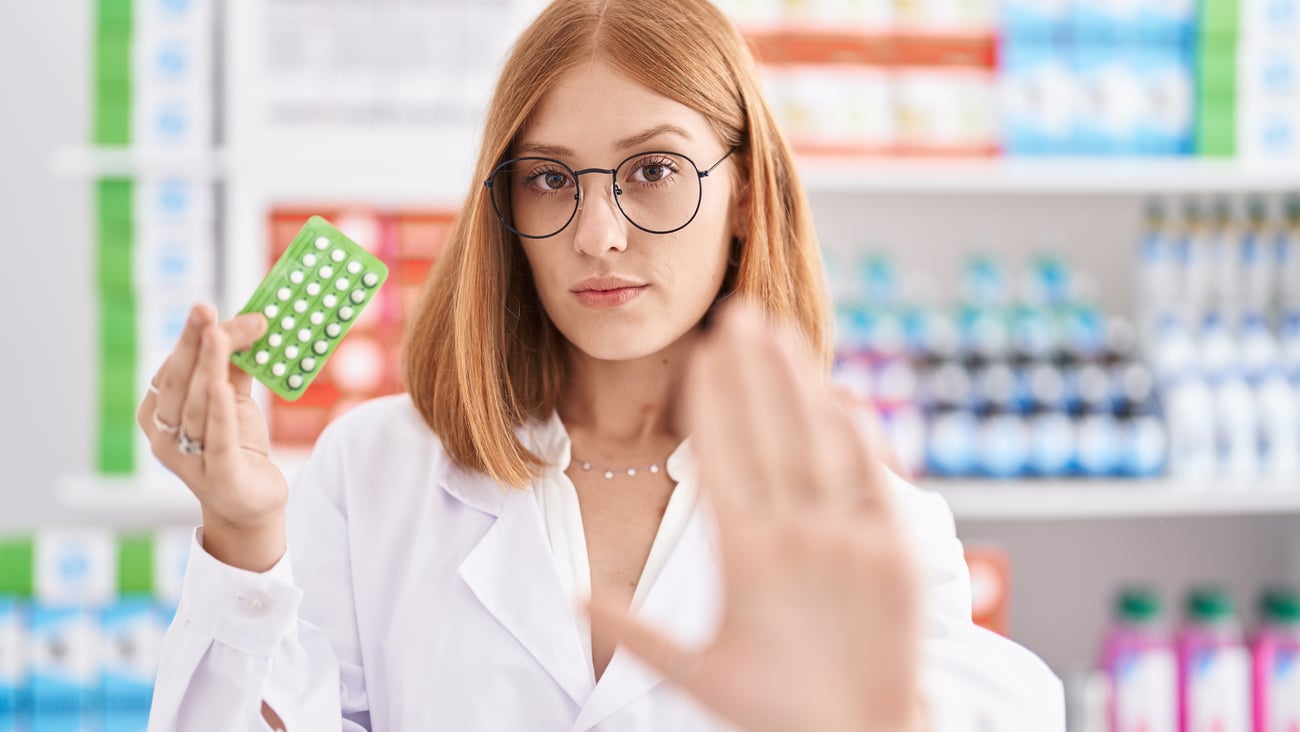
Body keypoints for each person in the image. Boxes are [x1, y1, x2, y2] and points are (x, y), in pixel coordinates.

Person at [137, 0, 1065, 730]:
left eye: (653, 170)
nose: (598, 234)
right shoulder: (374, 468)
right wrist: (243, 543)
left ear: (745, 193)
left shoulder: (858, 509)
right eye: (548, 177)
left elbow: (1001, 709)